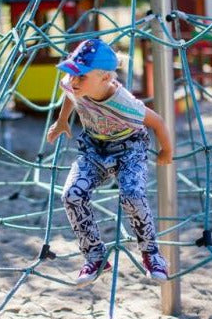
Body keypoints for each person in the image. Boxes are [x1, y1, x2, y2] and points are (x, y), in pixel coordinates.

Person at [46, 38, 174, 286]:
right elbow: (69, 95)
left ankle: (151, 254)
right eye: (72, 74)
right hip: (94, 148)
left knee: (132, 195)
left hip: (129, 150)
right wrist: (62, 121)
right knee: (72, 194)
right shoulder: (73, 85)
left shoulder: (123, 103)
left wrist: (166, 151)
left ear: (105, 78)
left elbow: (157, 121)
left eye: (80, 76)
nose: (73, 81)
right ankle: (95, 255)